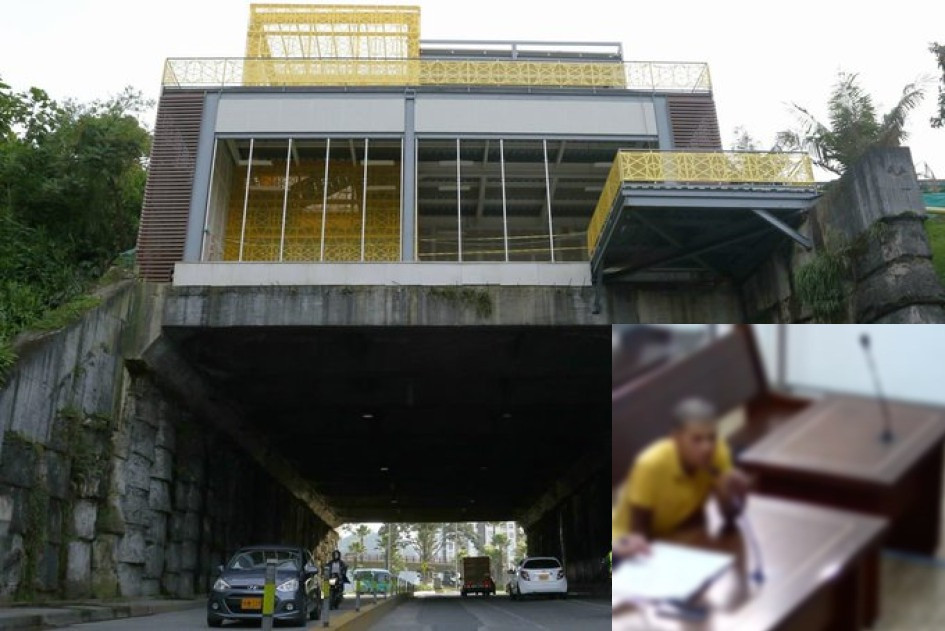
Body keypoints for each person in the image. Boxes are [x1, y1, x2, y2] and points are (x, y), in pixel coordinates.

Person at [612, 397, 750, 561]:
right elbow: (640, 533)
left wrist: (732, 496)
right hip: (627, 545)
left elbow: (729, 518)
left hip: (676, 535)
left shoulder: (718, 453)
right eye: (696, 439)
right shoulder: (650, 465)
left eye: (712, 437)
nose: (707, 447)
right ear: (675, 438)